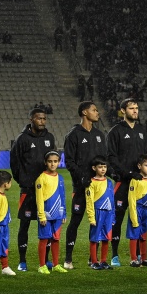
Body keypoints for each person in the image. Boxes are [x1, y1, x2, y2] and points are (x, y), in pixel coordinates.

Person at [10, 108, 56, 272]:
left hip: (47, 190)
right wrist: (22, 179)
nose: (42, 121)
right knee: (25, 224)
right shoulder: (22, 139)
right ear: (31, 119)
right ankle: (22, 260)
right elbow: (14, 162)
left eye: (44, 118)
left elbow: (53, 158)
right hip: (28, 189)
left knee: (47, 224)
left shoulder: (49, 138)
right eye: (39, 118)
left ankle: (46, 259)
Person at [64, 101, 108, 269]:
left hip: (98, 188)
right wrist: (81, 177)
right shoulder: (74, 134)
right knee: (75, 221)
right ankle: (68, 259)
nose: (98, 113)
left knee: (95, 222)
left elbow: (103, 160)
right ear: (84, 112)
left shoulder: (99, 134)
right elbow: (69, 161)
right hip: (81, 188)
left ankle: (93, 259)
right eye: (94, 110)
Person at [107, 98, 147, 266]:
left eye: (137, 108)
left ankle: (139, 255)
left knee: (139, 219)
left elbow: (146, 156)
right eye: (131, 108)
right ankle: (115, 255)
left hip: (140, 183)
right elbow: (111, 157)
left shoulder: (142, 130)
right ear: (123, 111)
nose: (135, 111)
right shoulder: (116, 131)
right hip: (124, 183)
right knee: (117, 219)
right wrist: (126, 173)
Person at [35, 151, 68, 274]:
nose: (52, 164)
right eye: (50, 161)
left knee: (56, 239)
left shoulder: (61, 178)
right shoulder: (41, 178)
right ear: (45, 162)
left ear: (59, 162)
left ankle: (55, 264)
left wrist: (64, 213)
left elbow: (63, 196)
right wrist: (41, 215)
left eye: (55, 161)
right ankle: (42, 265)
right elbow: (39, 199)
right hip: (46, 215)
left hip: (58, 215)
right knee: (44, 239)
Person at [125, 154, 147, 268]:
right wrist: (133, 216)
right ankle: (133, 259)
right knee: (134, 235)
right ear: (139, 166)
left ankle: (144, 258)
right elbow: (131, 199)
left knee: (143, 235)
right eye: (146, 165)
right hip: (138, 209)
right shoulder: (135, 180)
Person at [86, 155, 115, 270]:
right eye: (100, 167)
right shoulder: (91, 183)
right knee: (94, 238)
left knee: (106, 238)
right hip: (97, 212)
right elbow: (89, 201)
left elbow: (112, 200)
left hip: (108, 213)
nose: (103, 169)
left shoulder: (109, 182)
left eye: (105, 167)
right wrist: (91, 217)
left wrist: (113, 216)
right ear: (94, 168)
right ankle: (94, 261)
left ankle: (103, 261)